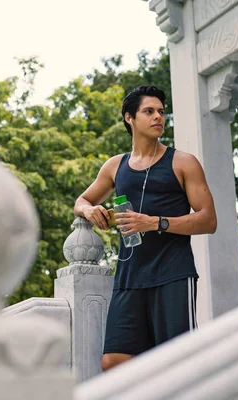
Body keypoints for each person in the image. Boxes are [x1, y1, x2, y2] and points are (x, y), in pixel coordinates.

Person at [73, 85, 217, 371]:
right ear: (130, 118)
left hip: (173, 274)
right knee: (114, 361)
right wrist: (91, 210)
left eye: (161, 112)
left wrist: (155, 222)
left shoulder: (183, 162)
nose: (158, 117)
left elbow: (208, 220)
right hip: (129, 276)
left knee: (181, 361)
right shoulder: (116, 166)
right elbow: (82, 200)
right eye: (149, 111)